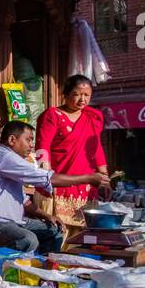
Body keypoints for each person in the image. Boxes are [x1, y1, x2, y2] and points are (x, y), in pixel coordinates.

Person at [0, 120, 111, 254]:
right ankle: (9, 270)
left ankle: (46, 267)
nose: (31, 146)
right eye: (28, 140)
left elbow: (24, 201)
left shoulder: (11, 160)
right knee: (28, 240)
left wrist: (47, 216)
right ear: (12, 140)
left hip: (15, 220)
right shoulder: (4, 156)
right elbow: (49, 178)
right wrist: (88, 178)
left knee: (54, 230)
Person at [36, 75, 109, 224]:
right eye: (77, 94)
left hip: (86, 186)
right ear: (66, 94)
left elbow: (97, 149)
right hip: (59, 181)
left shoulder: (92, 117)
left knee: (83, 235)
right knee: (59, 234)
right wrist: (45, 176)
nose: (82, 99)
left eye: (86, 95)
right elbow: (42, 147)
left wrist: (105, 180)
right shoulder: (52, 115)